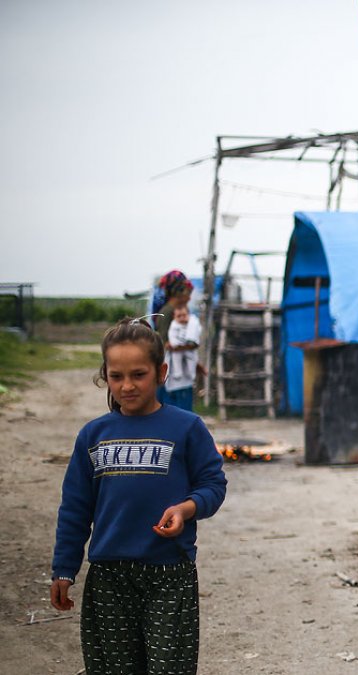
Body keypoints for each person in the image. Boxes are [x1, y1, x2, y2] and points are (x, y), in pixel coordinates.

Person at [51, 318, 227, 674]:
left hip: (168, 573)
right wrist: (64, 568)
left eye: (138, 374)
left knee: (169, 668)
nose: (127, 385)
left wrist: (186, 508)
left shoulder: (187, 428)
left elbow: (213, 484)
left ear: (161, 372)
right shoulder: (93, 435)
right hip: (109, 577)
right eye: (117, 376)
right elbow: (75, 507)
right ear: (106, 375)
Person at [151, 270, 206, 402]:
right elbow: (166, 345)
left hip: (181, 375)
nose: (189, 296)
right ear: (178, 291)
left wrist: (195, 363)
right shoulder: (167, 313)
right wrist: (191, 345)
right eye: (188, 292)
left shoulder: (179, 312)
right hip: (171, 376)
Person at [165, 305, 203, 411]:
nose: (182, 318)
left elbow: (195, 340)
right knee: (177, 359)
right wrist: (176, 345)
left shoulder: (193, 324)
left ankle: (191, 373)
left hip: (188, 351)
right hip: (176, 348)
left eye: (184, 315)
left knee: (191, 360)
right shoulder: (174, 325)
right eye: (179, 316)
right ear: (174, 317)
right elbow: (171, 337)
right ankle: (178, 372)